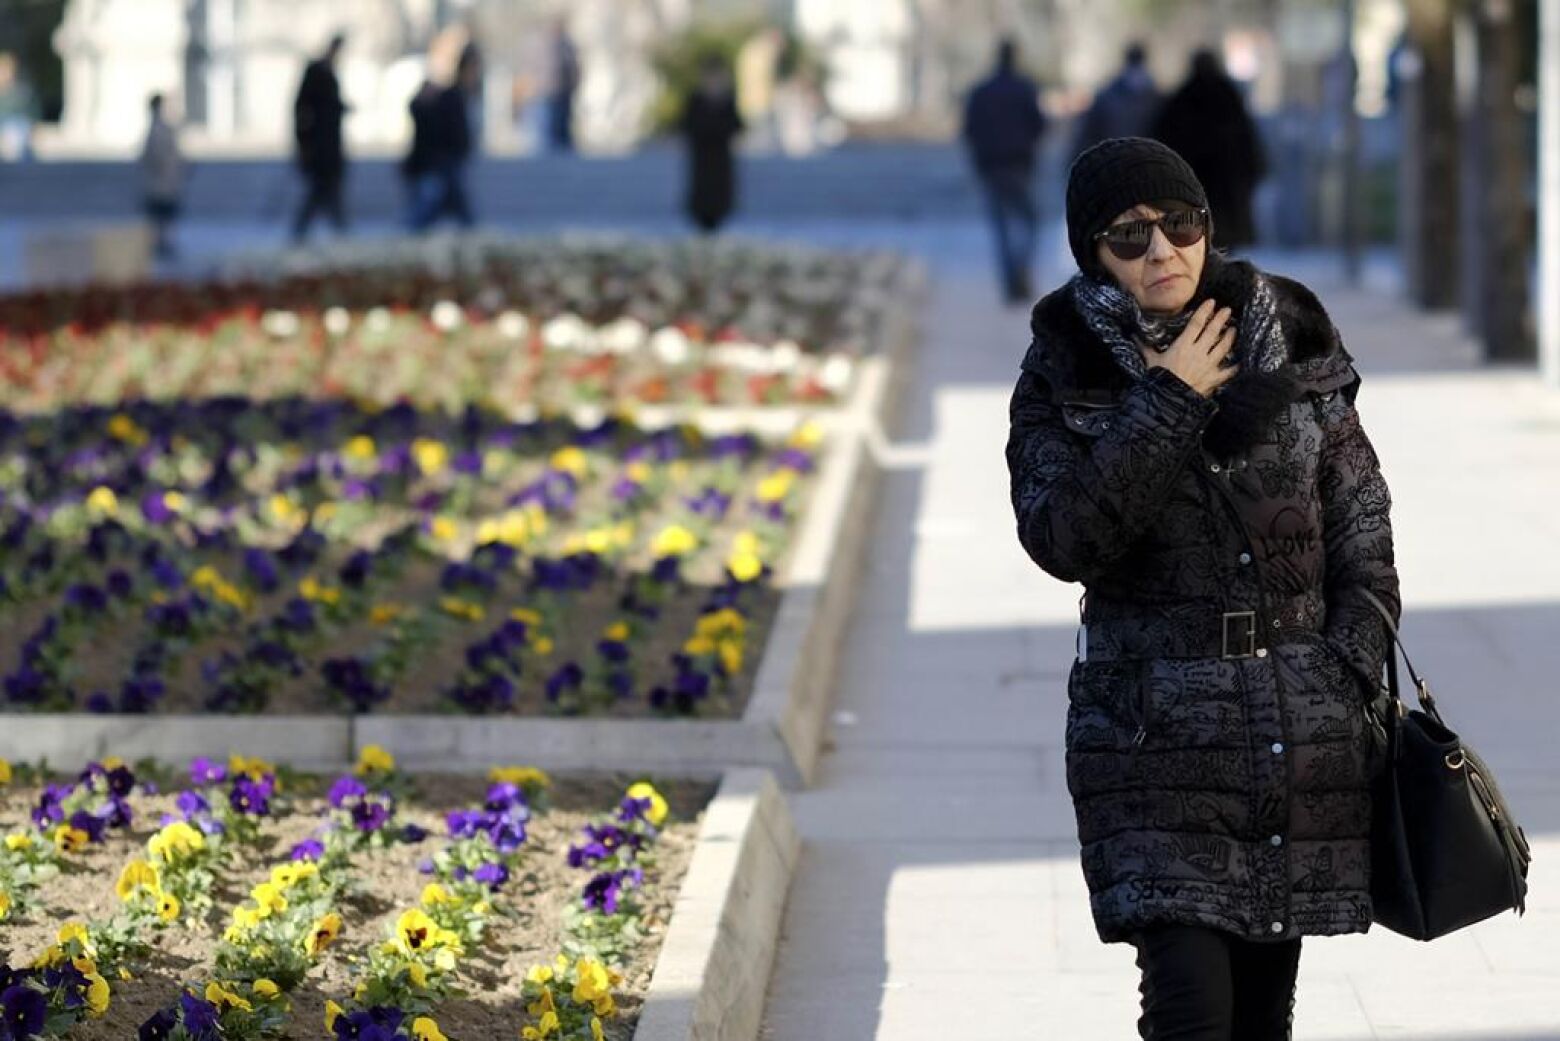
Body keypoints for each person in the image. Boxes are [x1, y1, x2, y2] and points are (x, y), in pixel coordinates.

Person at [1006, 137, 1399, 1039]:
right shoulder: (1065, 365)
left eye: (1180, 225)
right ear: (1091, 254)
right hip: (1151, 738)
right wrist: (1169, 398)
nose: (1163, 253)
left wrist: (1347, 667)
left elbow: (1362, 523)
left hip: (1292, 729)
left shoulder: (1291, 330)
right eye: (1130, 237)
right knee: (1189, 1006)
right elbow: (1064, 536)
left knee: (1263, 1016)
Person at [1149, 49, 1267, 250]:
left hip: (1194, 184)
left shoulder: (1183, 98)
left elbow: (1163, 139)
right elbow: (1246, 140)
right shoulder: (1227, 97)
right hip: (1222, 186)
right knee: (1222, 238)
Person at [962, 38, 1048, 305]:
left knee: (1002, 227)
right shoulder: (1025, 89)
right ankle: (1018, 270)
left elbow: (971, 129)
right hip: (1018, 164)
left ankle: (1012, 278)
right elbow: (1039, 125)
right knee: (1029, 222)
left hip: (992, 166)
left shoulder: (982, 91)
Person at [405, 45, 481, 232]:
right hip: (444, 160)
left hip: (450, 159)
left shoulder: (461, 95)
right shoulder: (450, 96)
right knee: (436, 204)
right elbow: (430, 122)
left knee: (447, 204)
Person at [292, 33, 349, 242]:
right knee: (321, 191)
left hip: (330, 146)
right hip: (320, 147)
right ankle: (335, 231)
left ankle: (339, 230)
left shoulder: (328, 73)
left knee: (327, 192)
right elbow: (303, 108)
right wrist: (303, 141)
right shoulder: (317, 72)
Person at [680, 55, 744, 234]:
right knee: (703, 197)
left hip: (720, 161)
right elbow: (688, 126)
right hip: (703, 160)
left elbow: (736, 126)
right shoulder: (696, 100)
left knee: (719, 197)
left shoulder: (727, 100)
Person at [1073, 43, 1159, 158]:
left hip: (1114, 161)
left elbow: (1088, 135)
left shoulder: (1108, 94)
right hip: (1146, 163)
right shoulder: (1156, 97)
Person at [139, 94, 184, 261]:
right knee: (160, 215)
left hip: (164, 181)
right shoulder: (157, 129)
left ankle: (163, 243)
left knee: (164, 215)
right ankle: (160, 243)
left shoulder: (162, 129)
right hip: (160, 181)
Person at [546, 20, 580, 152]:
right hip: (549, 90)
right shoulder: (546, 45)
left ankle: (563, 148)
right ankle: (551, 151)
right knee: (550, 124)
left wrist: (575, 82)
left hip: (565, 90)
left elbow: (574, 66)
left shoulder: (567, 45)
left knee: (564, 122)